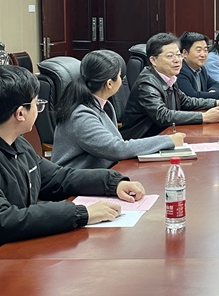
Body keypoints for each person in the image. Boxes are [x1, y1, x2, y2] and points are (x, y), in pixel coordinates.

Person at [0, 65, 146, 244]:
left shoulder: (19, 144)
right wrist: (81, 213)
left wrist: (112, 183)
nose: (38, 109)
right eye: (37, 104)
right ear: (20, 113)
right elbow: (5, 220)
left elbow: (57, 178)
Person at [52, 50, 186, 169]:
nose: (122, 82)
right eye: (120, 77)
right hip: (77, 184)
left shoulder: (102, 105)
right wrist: (168, 140)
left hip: (102, 174)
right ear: (109, 84)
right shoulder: (81, 115)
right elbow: (116, 149)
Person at [121, 33, 219, 140]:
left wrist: (216, 102)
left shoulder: (169, 77)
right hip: (142, 140)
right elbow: (163, 115)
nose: (177, 60)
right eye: (170, 56)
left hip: (164, 135)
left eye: (178, 55)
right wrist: (202, 117)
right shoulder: (147, 83)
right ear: (153, 60)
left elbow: (186, 101)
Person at [177, 31, 219, 102]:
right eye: (199, 50)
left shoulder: (201, 69)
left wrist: (213, 92)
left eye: (205, 50)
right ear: (185, 53)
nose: (203, 55)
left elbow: (216, 84)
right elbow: (193, 96)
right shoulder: (180, 71)